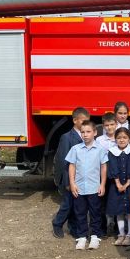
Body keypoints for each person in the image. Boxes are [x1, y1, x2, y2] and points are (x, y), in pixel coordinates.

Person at [66, 120, 108, 250]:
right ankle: (82, 236)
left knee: (95, 212)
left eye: (88, 132)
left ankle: (95, 236)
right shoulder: (75, 149)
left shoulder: (100, 149)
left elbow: (103, 167)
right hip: (79, 188)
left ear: (95, 133)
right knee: (80, 212)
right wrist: (72, 183)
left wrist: (102, 184)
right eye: (82, 132)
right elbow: (71, 166)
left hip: (94, 187)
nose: (85, 135)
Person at [51, 107, 89, 238]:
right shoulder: (67, 137)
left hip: (81, 177)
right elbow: (64, 161)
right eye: (83, 121)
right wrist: (67, 182)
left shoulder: (86, 136)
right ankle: (57, 223)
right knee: (67, 204)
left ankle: (73, 228)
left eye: (87, 121)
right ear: (75, 120)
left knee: (76, 205)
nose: (85, 123)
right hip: (70, 178)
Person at [107, 127, 130, 247]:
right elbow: (113, 167)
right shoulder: (112, 151)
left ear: (129, 138)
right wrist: (118, 184)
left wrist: (126, 184)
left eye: (124, 137)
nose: (122, 140)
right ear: (115, 139)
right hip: (116, 186)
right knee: (119, 211)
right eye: (119, 138)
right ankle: (121, 234)